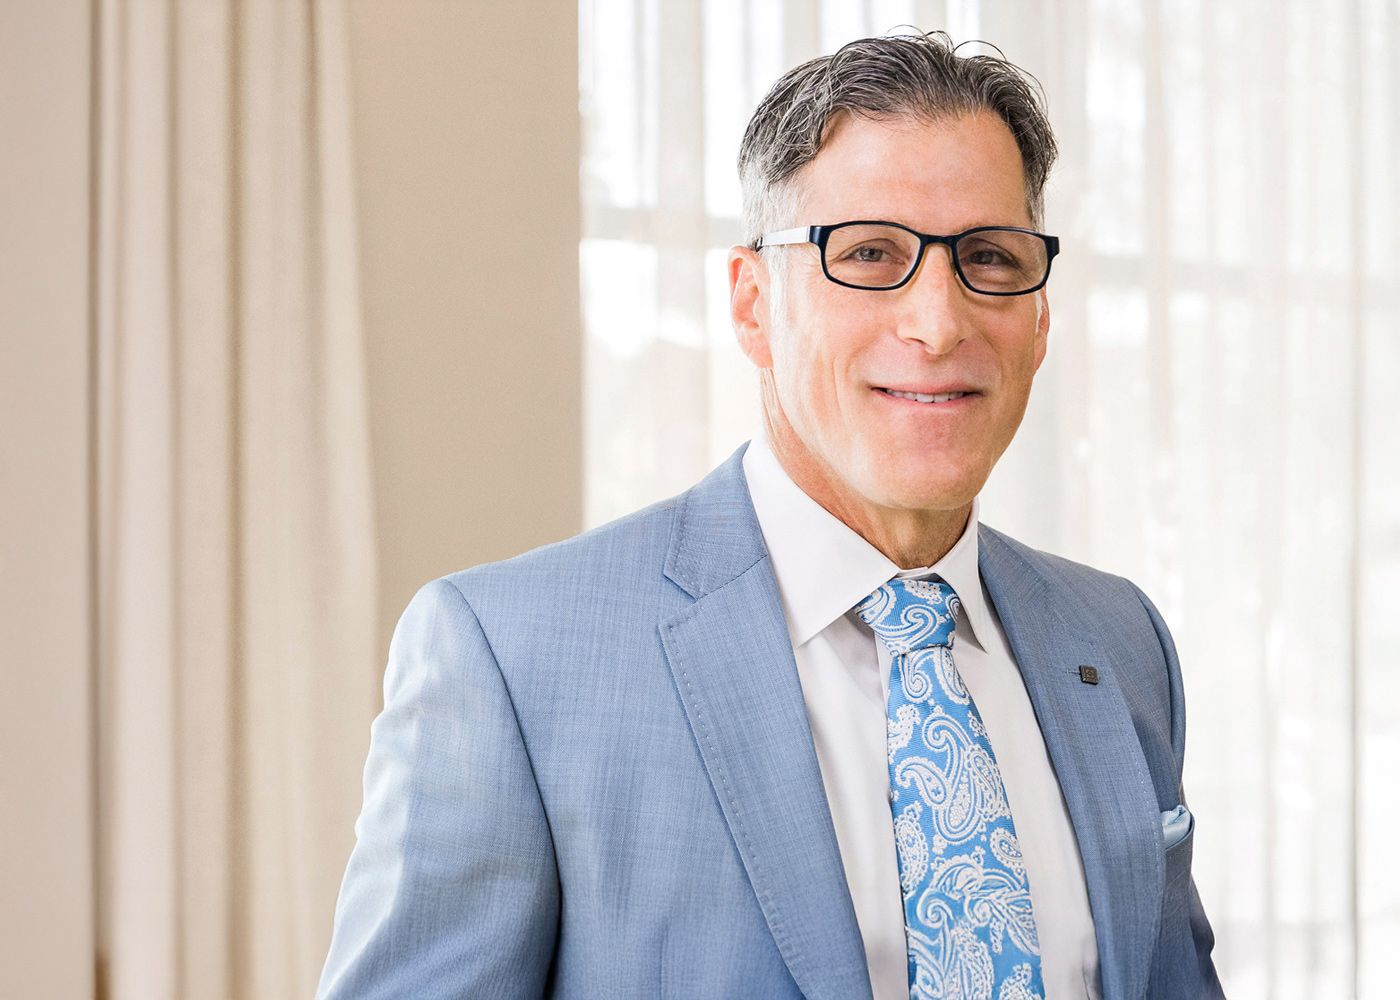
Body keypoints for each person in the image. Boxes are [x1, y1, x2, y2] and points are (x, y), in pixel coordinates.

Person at [317, 31, 1224, 1000]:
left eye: (988, 258)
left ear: (1038, 318)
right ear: (752, 304)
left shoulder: (1117, 641)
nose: (937, 321)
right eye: (868, 253)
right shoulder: (508, 659)